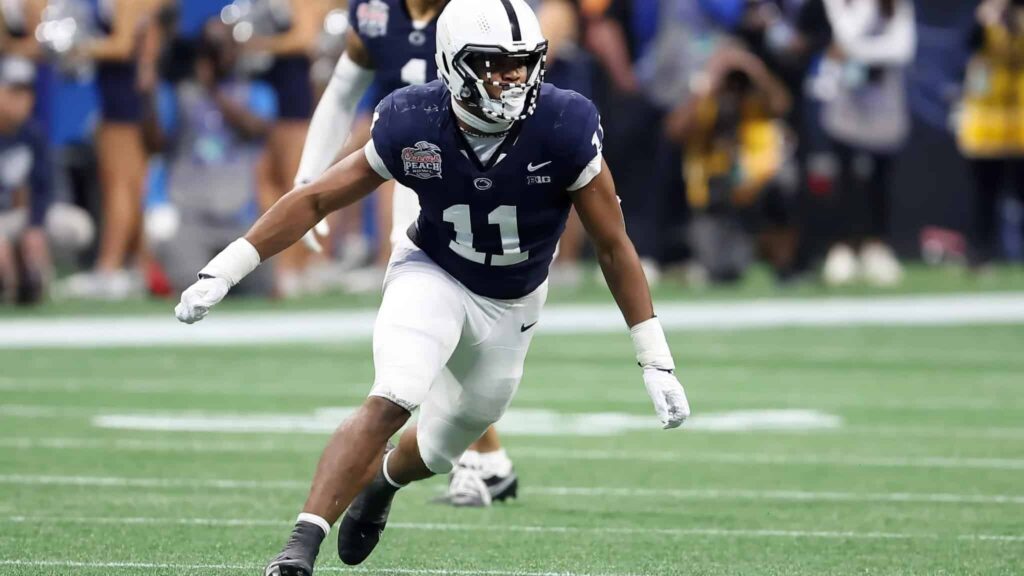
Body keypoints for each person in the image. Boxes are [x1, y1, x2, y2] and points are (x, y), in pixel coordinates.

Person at [174, 1, 690, 574]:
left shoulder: (564, 123)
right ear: (452, 64)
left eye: (520, 64)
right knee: (393, 395)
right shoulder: (413, 119)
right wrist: (227, 267)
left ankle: (383, 483)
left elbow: (613, 245)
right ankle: (299, 547)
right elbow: (318, 198)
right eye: (492, 64)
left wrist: (655, 359)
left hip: (514, 300)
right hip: (433, 270)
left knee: (443, 447)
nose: (510, 79)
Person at [292, 0, 518, 508]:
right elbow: (341, 94)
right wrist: (309, 182)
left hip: (479, 179)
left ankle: (479, 457)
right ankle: (485, 457)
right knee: (428, 319)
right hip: (416, 178)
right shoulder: (374, 13)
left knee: (449, 321)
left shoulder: (476, 14)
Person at [143, 19, 276, 296]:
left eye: (224, 45)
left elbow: (256, 129)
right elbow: (155, 143)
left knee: (263, 290)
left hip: (240, 221)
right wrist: (151, 90)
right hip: (190, 221)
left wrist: (212, 89)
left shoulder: (256, 92)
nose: (220, 54)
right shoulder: (180, 94)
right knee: (192, 294)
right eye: (212, 47)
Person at [815, 0, 916, 287]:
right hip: (845, 104)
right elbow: (845, 33)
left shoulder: (896, 5)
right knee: (844, 179)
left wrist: (855, 50)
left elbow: (902, 49)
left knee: (880, 181)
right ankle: (843, 248)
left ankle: (877, 248)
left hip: (884, 104)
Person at [959, 0, 1024, 269]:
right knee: (985, 192)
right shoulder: (986, 14)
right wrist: (988, 15)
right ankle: (980, 254)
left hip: (1019, 116)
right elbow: (968, 44)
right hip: (986, 118)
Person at [0, 56, 53, 304]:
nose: (20, 101)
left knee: (76, 226)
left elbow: (43, 188)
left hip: (18, 216)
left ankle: (29, 272)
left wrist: (35, 225)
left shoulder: (33, 133)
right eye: (13, 93)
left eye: (25, 94)